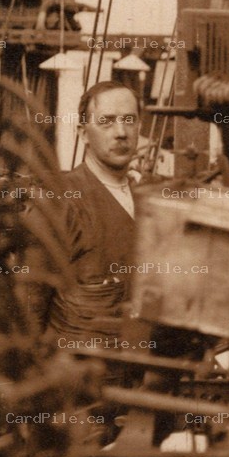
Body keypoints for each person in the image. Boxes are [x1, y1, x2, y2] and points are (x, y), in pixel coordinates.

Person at [21, 81, 142, 348]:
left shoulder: (148, 198)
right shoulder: (59, 201)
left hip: (142, 374)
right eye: (106, 122)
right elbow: (30, 305)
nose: (121, 132)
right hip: (80, 377)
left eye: (129, 120)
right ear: (83, 133)